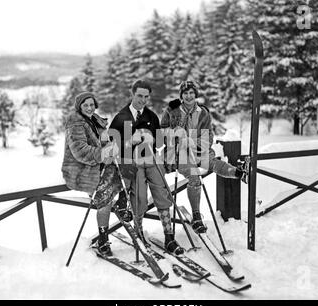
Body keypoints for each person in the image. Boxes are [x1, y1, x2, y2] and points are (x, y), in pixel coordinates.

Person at [109, 79, 184, 255]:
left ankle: (169, 237)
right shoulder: (121, 117)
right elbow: (110, 145)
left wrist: (163, 138)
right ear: (132, 94)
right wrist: (129, 141)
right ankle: (139, 233)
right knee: (139, 199)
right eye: (139, 96)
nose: (143, 100)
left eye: (146, 97)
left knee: (162, 193)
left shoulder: (151, 116)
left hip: (152, 160)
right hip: (133, 163)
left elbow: (159, 142)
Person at [161, 80, 246, 234]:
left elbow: (209, 137)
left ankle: (237, 173)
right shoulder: (172, 110)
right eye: (185, 93)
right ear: (181, 95)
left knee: (212, 162)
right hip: (178, 154)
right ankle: (196, 216)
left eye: (191, 93)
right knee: (194, 176)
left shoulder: (203, 113)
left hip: (198, 150)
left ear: (196, 95)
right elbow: (162, 132)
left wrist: (192, 142)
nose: (188, 96)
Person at [61, 91, 123, 256]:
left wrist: (112, 147)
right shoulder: (75, 123)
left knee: (129, 172)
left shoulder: (96, 120)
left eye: (91, 104)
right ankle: (103, 239)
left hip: (100, 165)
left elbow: (105, 142)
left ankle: (124, 205)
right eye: (85, 105)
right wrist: (103, 153)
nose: (89, 108)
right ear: (79, 107)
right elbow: (80, 151)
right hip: (82, 170)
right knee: (104, 196)